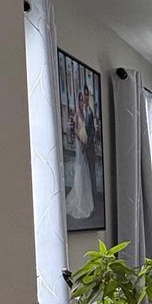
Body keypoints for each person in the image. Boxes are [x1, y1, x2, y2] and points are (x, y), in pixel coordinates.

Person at [66, 88, 95, 221]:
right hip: (80, 145)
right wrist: (81, 140)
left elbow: (87, 130)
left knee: (84, 171)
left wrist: (86, 140)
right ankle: (79, 199)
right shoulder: (78, 114)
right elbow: (76, 129)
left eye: (83, 99)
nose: (82, 101)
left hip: (84, 144)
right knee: (80, 170)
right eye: (81, 99)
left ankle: (85, 198)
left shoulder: (84, 112)